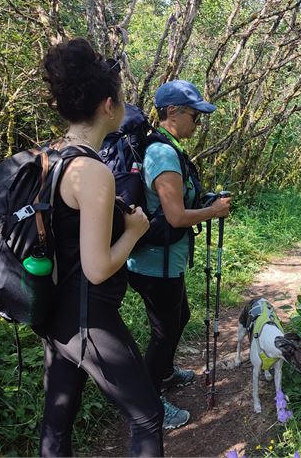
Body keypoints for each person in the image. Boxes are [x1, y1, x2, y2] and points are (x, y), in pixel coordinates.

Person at [33, 38, 164, 456]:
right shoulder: (93, 172)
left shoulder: (48, 157)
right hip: (88, 316)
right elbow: (97, 267)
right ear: (109, 105)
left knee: (57, 423)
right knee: (147, 416)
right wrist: (134, 231)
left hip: (54, 313)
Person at [127, 80, 230, 429]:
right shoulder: (164, 153)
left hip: (164, 258)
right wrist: (214, 211)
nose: (196, 123)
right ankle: (148, 401)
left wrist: (204, 202)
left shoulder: (168, 147)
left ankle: (166, 372)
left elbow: (175, 205)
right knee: (164, 331)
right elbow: (175, 217)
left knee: (178, 316)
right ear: (172, 112)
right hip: (154, 263)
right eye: (193, 115)